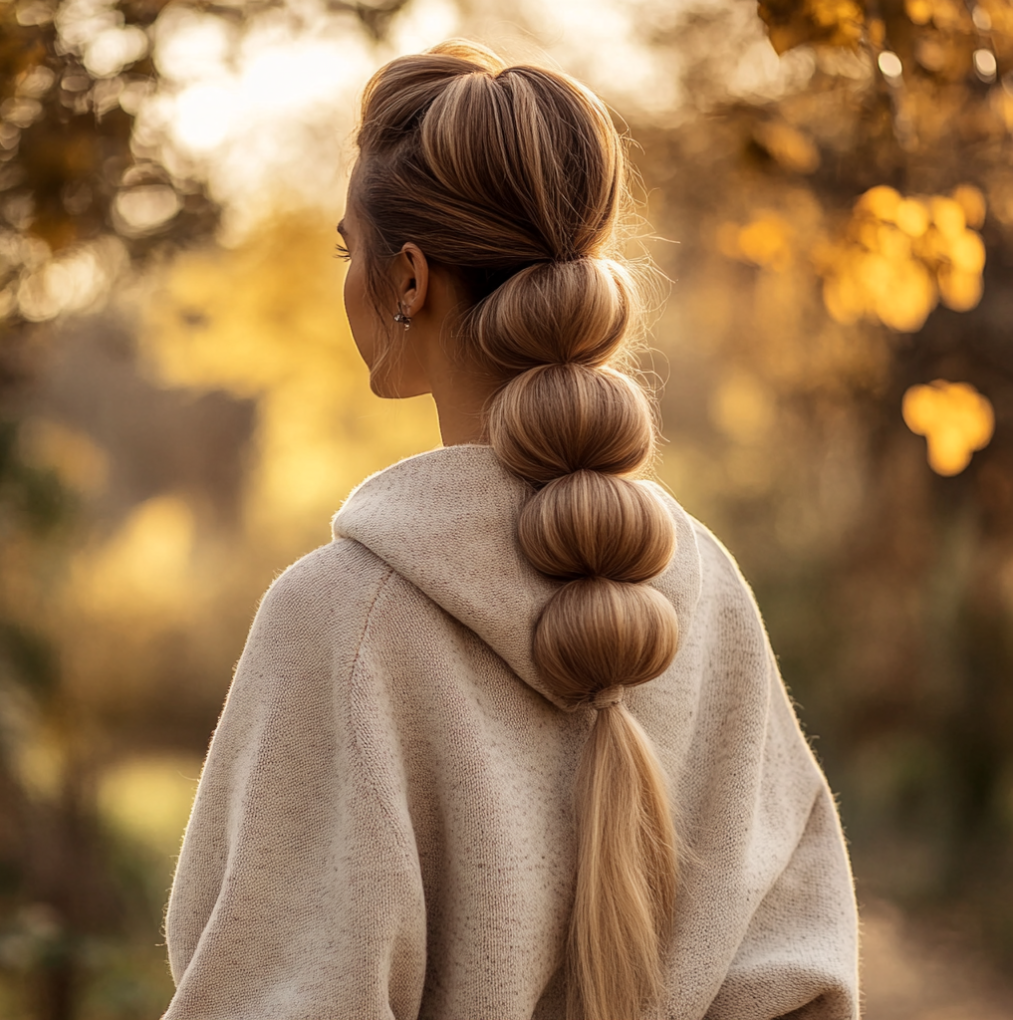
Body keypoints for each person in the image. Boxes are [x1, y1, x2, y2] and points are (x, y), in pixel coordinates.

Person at [162, 40, 859, 1020]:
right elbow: (798, 977)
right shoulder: (704, 587)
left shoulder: (341, 625)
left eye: (344, 249)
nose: (345, 278)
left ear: (406, 280)